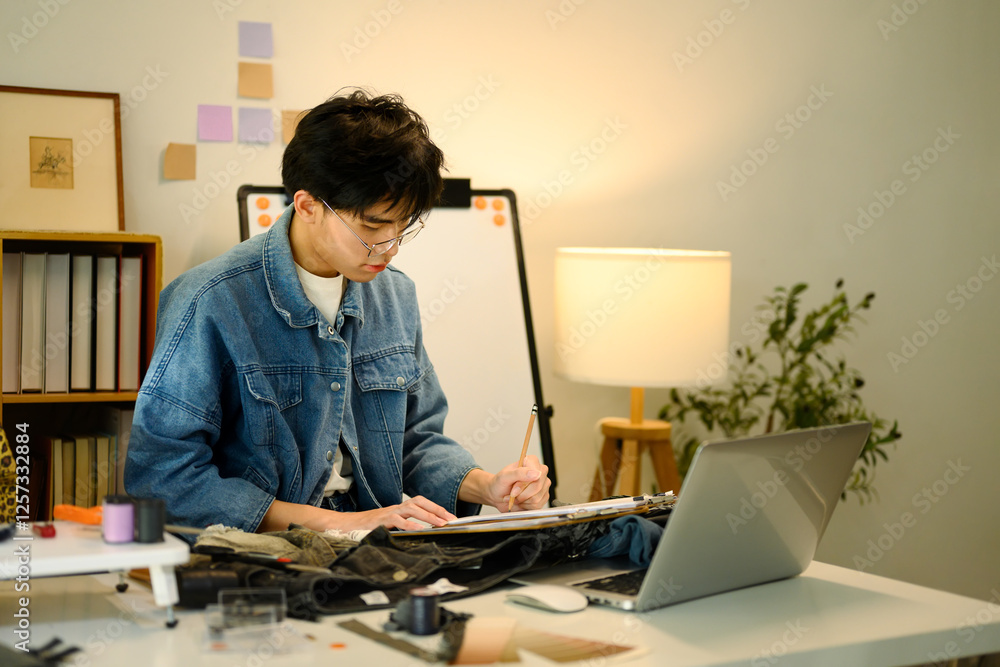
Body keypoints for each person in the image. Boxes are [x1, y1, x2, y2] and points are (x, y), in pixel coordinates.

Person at [125, 89, 550, 536]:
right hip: (261, 556)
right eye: (372, 226)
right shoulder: (210, 300)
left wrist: (488, 487)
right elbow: (164, 478)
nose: (389, 247)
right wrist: (344, 523)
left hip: (380, 549)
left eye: (404, 225)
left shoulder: (395, 296)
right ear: (308, 205)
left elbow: (415, 439)